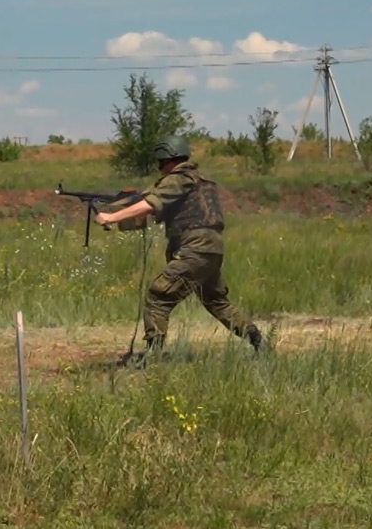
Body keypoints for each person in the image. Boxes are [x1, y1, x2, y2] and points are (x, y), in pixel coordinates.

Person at [94, 135, 265, 365]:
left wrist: (111, 216)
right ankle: (257, 340)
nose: (159, 168)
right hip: (211, 248)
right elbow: (155, 207)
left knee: (158, 296)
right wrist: (121, 205)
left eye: (161, 162)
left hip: (195, 247)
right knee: (216, 301)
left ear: (168, 159)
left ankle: (153, 355)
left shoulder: (178, 179)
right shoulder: (202, 180)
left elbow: (150, 204)